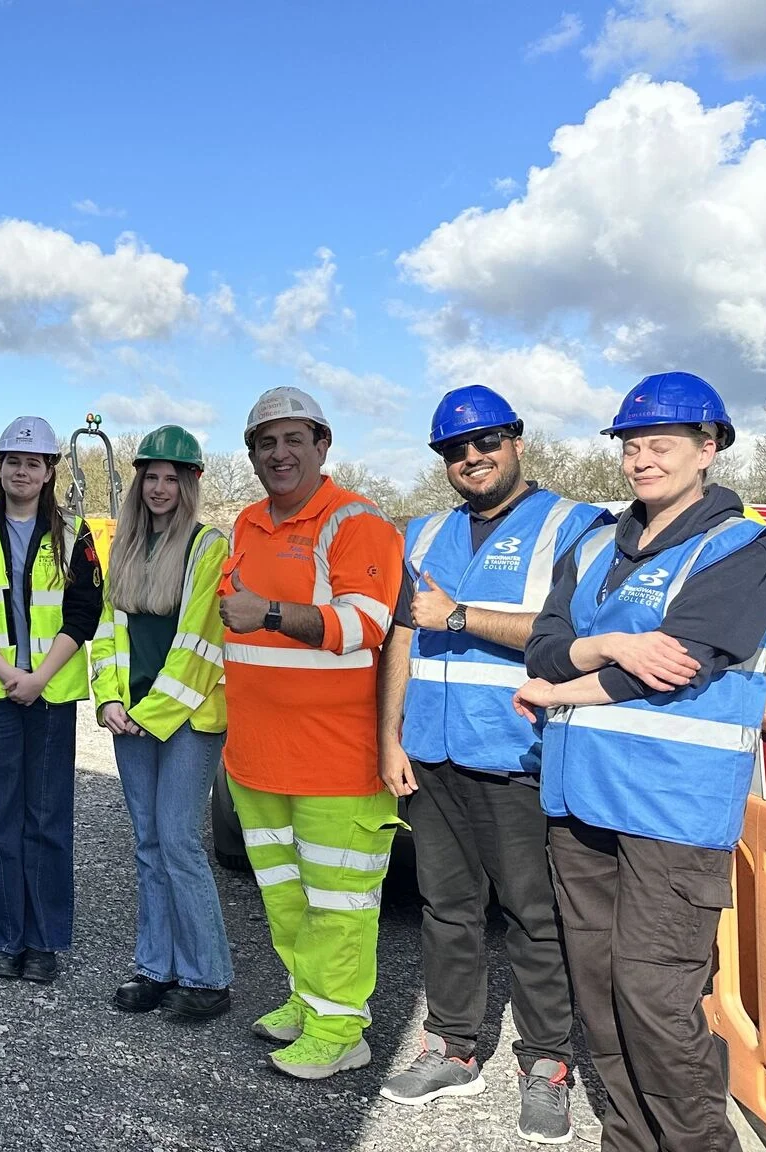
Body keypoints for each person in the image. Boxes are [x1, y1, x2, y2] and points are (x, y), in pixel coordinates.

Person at [516, 371, 766, 1152]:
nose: (641, 459)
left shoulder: (741, 549)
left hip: (672, 811)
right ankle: (629, 1140)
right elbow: (544, 645)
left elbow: (676, 666)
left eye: (660, 444)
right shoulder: (596, 543)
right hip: (580, 806)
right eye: (631, 446)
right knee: (600, 998)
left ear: (708, 447)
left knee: (657, 1002)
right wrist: (612, 645)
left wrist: (560, 688)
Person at [375, 387, 605, 1142]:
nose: (471, 458)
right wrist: (390, 736)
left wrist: (462, 616)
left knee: (534, 916)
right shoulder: (423, 533)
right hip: (432, 754)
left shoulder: (573, 526)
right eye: (454, 449)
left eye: (486, 442)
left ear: (517, 442)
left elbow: (576, 637)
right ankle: (452, 1046)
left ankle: (547, 1063)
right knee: (446, 907)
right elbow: (403, 637)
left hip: (518, 754)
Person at [219, 386, 405, 1080]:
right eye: (266, 443)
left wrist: (269, 611)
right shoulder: (245, 523)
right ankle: (308, 1000)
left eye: (294, 439)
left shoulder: (355, 521)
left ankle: (341, 1030)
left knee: (340, 904)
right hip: (257, 759)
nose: (279, 453)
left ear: (322, 445)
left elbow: (367, 625)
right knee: (287, 897)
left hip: (335, 762)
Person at [0, 416, 103, 985]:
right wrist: (10, 673)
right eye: (13, 461)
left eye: (33, 463)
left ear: (49, 471)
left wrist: (39, 677)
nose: (21, 471)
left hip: (51, 694)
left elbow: (84, 611)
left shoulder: (75, 533)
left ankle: (43, 942)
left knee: (48, 818)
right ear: (0, 466)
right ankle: (6, 937)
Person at [89, 425, 234, 1018]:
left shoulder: (208, 546)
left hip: (188, 718)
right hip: (131, 718)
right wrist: (108, 700)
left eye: (172, 478)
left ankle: (208, 978)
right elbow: (105, 631)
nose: (159, 487)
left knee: (178, 841)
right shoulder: (125, 546)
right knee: (148, 843)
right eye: (151, 476)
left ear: (189, 484)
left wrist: (148, 715)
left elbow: (201, 642)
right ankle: (156, 968)